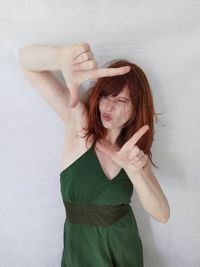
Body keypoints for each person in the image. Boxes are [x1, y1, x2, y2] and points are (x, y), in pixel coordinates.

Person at [18, 42, 170, 267]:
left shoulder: (133, 155)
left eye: (120, 100)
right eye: (106, 96)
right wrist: (60, 57)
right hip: (82, 252)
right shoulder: (80, 129)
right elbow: (25, 61)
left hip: (124, 250)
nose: (108, 106)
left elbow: (163, 214)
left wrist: (135, 172)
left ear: (137, 108)